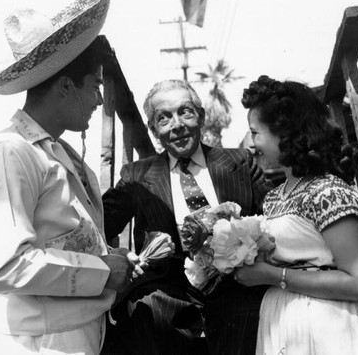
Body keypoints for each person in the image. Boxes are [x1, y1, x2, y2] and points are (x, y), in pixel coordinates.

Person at [0, 0, 137, 355]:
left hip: (74, 335)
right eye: (94, 85)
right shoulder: (10, 153)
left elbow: (61, 238)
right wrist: (103, 271)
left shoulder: (57, 154)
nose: (98, 99)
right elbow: (6, 265)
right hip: (39, 344)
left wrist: (110, 256)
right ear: (65, 86)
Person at [102, 79, 273, 355]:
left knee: (251, 308)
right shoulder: (137, 176)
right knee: (142, 308)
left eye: (185, 112)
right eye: (164, 118)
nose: (177, 124)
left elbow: (276, 211)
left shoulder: (239, 162)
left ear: (201, 116)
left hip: (238, 282)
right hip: (172, 292)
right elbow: (97, 220)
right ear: (153, 129)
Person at [235, 75, 358, 355]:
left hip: (328, 326)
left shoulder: (327, 190)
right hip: (282, 324)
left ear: (284, 132)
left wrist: (272, 275)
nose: (251, 144)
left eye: (255, 133)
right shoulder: (274, 197)